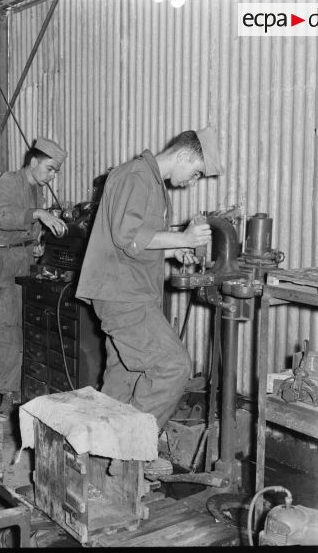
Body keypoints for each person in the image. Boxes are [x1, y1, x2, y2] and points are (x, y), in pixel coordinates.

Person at [75, 127, 221, 476]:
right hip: (123, 295)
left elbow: (137, 242)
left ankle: (93, 459)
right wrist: (183, 235)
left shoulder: (151, 182)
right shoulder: (136, 176)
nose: (192, 181)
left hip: (127, 290)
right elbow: (129, 238)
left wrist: (173, 249)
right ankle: (130, 451)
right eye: (197, 172)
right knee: (173, 366)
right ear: (185, 155)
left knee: (124, 376)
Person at [0, 137, 68, 419]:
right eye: (51, 168)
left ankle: (29, 390)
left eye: (56, 171)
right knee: (7, 329)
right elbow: (2, 217)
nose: (52, 175)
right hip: (3, 263)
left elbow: (27, 227)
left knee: (27, 327)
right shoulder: (9, 181)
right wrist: (38, 214)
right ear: (34, 162)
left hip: (24, 259)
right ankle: (8, 394)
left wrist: (36, 244)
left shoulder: (36, 190)